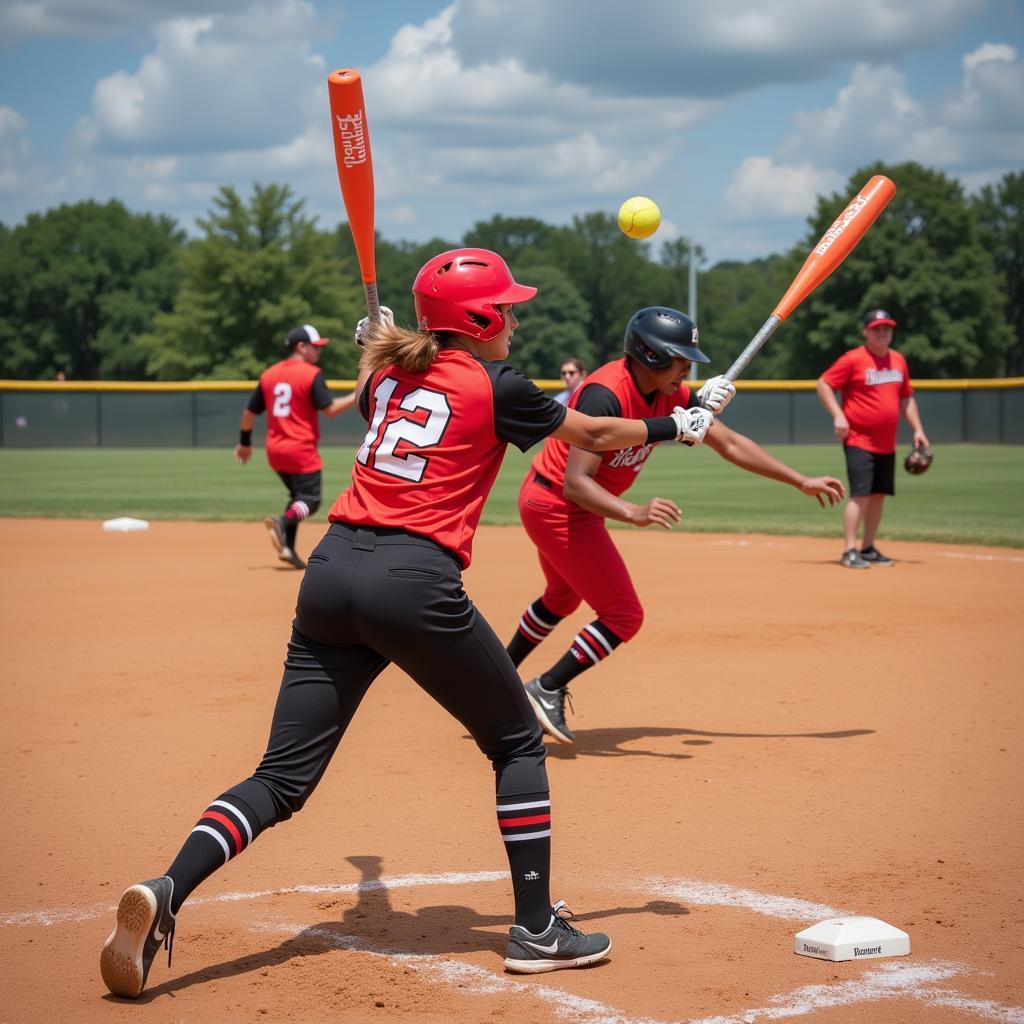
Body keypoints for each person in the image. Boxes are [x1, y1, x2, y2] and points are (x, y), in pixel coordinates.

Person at [100, 249, 717, 999]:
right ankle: (535, 931)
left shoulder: (388, 379)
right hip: (413, 582)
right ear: (480, 319)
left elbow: (376, 385)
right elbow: (588, 434)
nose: (516, 320)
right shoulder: (497, 385)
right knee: (517, 739)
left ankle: (167, 889)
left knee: (280, 779)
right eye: (508, 309)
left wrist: (377, 344)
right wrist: (673, 425)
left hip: (329, 575)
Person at [506, 306, 846, 744]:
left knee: (561, 598)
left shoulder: (672, 394)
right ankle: (546, 688)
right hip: (558, 504)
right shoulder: (604, 393)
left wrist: (799, 480)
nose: (687, 369)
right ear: (648, 355)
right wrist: (634, 512)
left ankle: (495, 678)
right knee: (623, 615)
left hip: (558, 503)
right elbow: (576, 484)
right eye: (680, 359)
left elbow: (731, 443)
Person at [234, 325, 357, 569]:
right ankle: (283, 522)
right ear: (301, 347)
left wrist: (245, 443)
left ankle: (288, 548)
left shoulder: (269, 374)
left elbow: (249, 412)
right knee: (311, 499)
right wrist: (357, 394)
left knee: (297, 497)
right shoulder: (311, 373)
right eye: (315, 347)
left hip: (275, 451)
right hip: (300, 449)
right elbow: (330, 410)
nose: (318, 352)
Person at [816, 308, 930, 569]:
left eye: (886, 328)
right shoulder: (853, 359)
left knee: (878, 495)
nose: (882, 333)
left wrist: (918, 429)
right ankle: (849, 550)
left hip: (886, 443)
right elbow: (823, 383)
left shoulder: (898, 360)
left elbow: (906, 398)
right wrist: (838, 415)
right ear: (866, 332)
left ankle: (867, 548)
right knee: (860, 495)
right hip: (858, 440)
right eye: (877, 328)